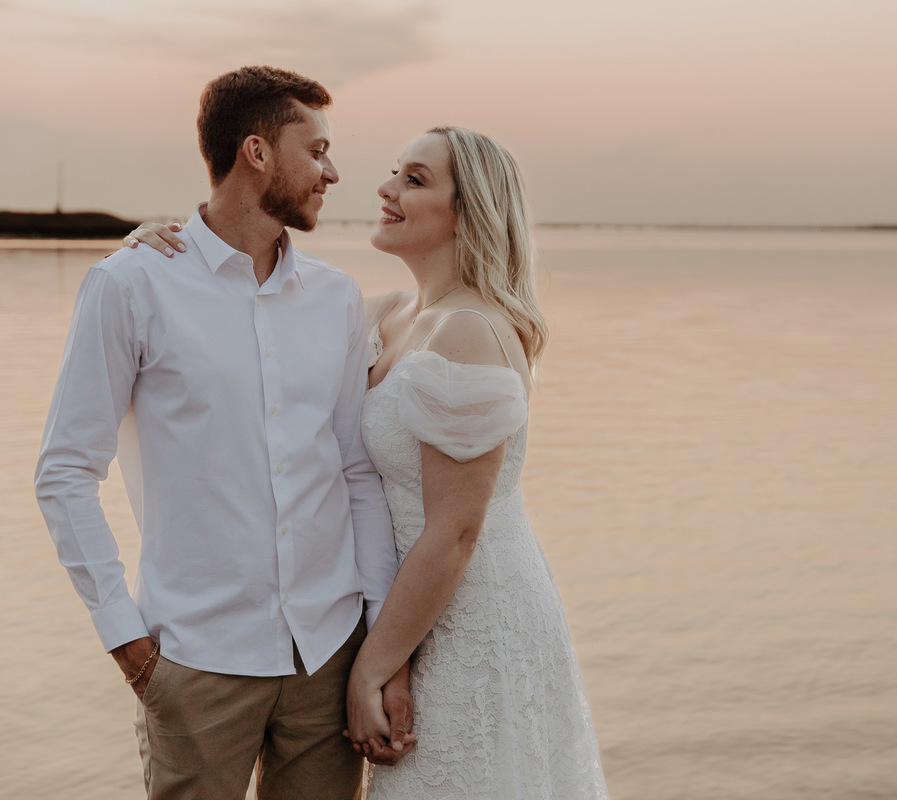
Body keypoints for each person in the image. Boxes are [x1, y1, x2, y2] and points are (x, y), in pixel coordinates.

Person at [127, 126, 610, 798]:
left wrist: (370, 667)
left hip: (469, 617)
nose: (384, 189)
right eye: (393, 173)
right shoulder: (391, 315)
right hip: (407, 617)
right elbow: (254, 314)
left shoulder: (469, 330)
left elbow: (455, 532)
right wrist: (162, 250)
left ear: (467, 211)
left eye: (414, 180)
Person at [35, 65, 402, 800]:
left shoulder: (335, 300)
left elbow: (354, 471)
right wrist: (127, 640)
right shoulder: (130, 285)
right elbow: (66, 472)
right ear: (257, 153)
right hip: (195, 662)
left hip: (328, 657)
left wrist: (376, 639)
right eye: (317, 149)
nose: (331, 172)